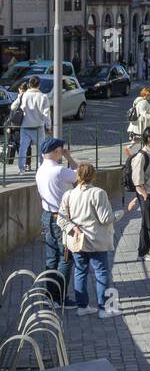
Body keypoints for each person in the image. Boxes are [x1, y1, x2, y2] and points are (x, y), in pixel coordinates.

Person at [57, 162, 116, 318]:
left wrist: (73, 228)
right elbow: (106, 218)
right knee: (102, 272)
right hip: (96, 240)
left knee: (80, 272)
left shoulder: (68, 194)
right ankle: (104, 308)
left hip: (77, 241)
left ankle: (82, 306)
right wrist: (119, 214)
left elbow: (60, 219)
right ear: (93, 175)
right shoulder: (98, 193)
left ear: (77, 176)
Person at [35, 138, 79, 303]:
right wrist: (69, 157)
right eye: (61, 150)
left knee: (51, 257)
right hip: (61, 218)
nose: (62, 152)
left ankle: (50, 293)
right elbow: (82, 175)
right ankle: (60, 297)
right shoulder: (60, 171)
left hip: (47, 216)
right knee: (66, 257)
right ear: (55, 152)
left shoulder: (40, 170)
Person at [125, 125, 150, 261]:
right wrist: (144, 195)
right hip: (146, 193)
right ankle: (143, 251)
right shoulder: (141, 156)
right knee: (147, 223)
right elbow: (137, 180)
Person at [10, 75, 52, 172]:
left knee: (22, 149)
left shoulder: (23, 95)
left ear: (29, 84)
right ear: (39, 85)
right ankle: (40, 168)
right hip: (39, 127)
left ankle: (21, 169)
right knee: (41, 149)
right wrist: (48, 127)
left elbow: (13, 107)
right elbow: (46, 114)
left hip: (25, 126)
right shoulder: (43, 97)